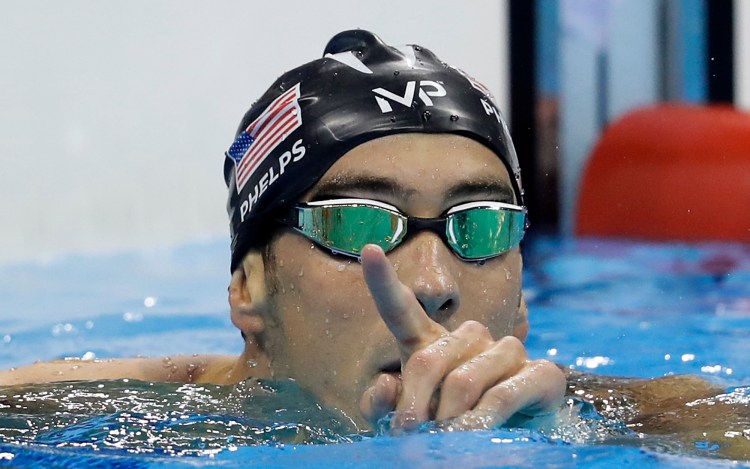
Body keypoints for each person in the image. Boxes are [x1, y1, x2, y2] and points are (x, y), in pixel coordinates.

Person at [0, 31, 745, 451]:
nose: (431, 282)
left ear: (523, 299)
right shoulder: (100, 416)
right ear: (249, 286)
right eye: (360, 223)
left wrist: (574, 445)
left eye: (478, 226)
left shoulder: (614, 418)